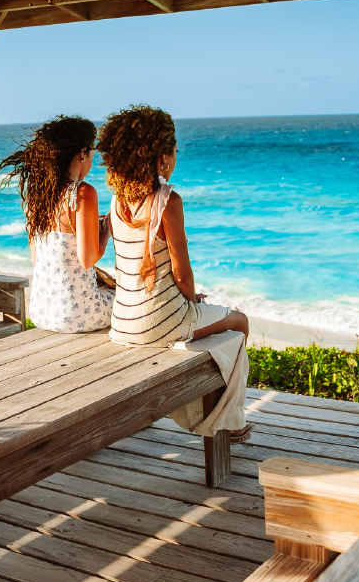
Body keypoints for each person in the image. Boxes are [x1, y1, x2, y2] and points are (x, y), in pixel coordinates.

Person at [96, 104, 251, 439]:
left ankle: (208, 412)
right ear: (162, 158)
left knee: (208, 322)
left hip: (122, 324)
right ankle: (229, 421)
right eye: (175, 150)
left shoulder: (115, 201)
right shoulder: (169, 201)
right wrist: (193, 298)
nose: (176, 156)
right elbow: (182, 274)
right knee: (239, 323)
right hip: (159, 323)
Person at [0, 115, 114, 333]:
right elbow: (88, 260)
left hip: (42, 312)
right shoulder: (83, 192)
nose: (94, 158)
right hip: (78, 316)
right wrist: (106, 230)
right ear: (82, 153)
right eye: (93, 153)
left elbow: (35, 259)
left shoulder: (37, 197)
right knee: (131, 298)